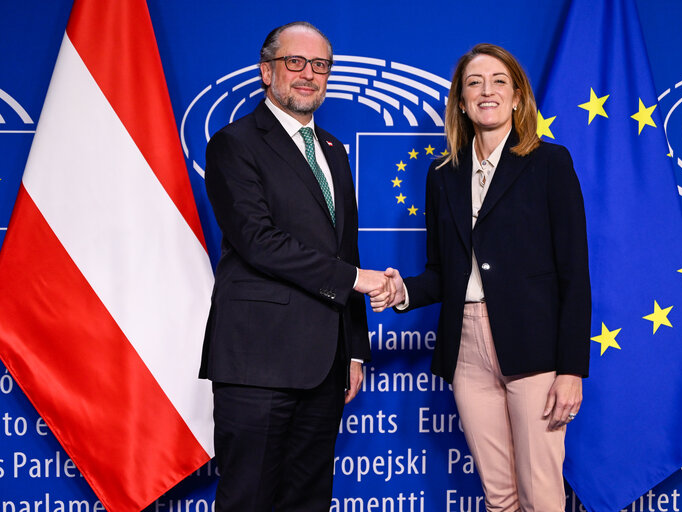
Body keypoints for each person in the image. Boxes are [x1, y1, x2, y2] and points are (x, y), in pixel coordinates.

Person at [375, 44, 591, 512]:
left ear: (517, 97)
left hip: (534, 348)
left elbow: (575, 273)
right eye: (474, 82)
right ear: (461, 100)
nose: (486, 90)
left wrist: (571, 368)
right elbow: (442, 273)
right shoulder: (442, 175)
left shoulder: (550, 164)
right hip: (467, 352)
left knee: (541, 495)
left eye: (498, 81)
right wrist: (401, 291)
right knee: (499, 497)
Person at [199, 21, 392, 511]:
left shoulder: (333, 151)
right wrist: (355, 280)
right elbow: (258, 241)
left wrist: (353, 350)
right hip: (258, 360)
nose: (309, 74)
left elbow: (344, 249)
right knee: (250, 498)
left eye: (321, 65)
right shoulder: (234, 143)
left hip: (325, 365)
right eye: (296, 62)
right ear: (267, 71)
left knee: (309, 501)